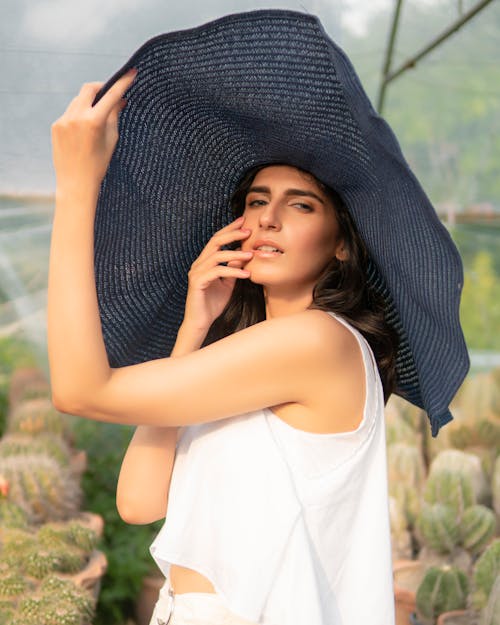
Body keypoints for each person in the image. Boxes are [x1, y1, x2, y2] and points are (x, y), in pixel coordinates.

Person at [47, 9, 469, 625]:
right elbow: (139, 502)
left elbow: (80, 390)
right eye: (255, 201)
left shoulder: (318, 343)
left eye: (299, 205)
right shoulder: (246, 356)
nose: (268, 219)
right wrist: (192, 328)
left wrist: (77, 188)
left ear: (342, 244)